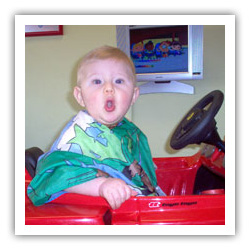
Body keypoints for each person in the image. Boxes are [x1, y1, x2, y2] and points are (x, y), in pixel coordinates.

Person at [27, 46, 163, 210]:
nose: (108, 88)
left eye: (118, 81)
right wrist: (101, 186)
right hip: (109, 215)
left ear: (134, 95)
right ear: (80, 96)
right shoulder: (79, 136)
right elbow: (59, 176)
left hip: (141, 205)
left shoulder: (124, 128)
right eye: (97, 81)